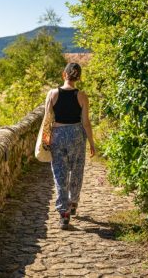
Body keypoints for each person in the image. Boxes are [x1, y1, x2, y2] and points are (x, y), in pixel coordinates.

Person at [42, 62, 96, 230]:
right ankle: (73, 202)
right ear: (78, 77)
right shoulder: (82, 96)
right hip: (77, 136)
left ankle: (64, 213)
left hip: (57, 135)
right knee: (77, 170)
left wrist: (45, 141)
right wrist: (92, 143)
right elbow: (86, 122)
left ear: (63, 74)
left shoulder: (52, 94)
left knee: (60, 173)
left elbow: (46, 120)